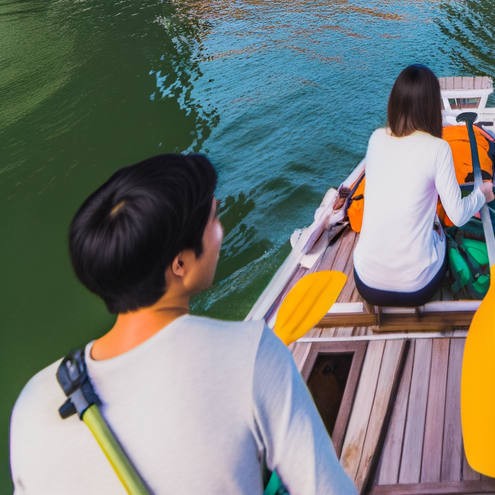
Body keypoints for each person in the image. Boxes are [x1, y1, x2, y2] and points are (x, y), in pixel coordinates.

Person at [9, 154, 356, 495]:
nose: (221, 232)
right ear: (180, 263)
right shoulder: (253, 354)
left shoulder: (35, 400)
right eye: (214, 221)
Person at [351, 65, 494, 307]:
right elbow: (458, 215)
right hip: (416, 288)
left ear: (395, 102)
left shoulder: (376, 139)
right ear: (432, 106)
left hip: (366, 283)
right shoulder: (438, 148)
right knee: (443, 230)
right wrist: (482, 193)